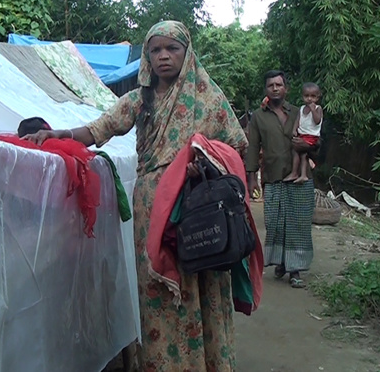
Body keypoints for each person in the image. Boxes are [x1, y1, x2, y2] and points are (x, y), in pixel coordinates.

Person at [24, 21, 247, 371]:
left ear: (186, 53)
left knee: (202, 273)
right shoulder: (139, 99)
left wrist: (202, 162)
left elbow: (235, 147)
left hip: (198, 203)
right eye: (155, 50)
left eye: (171, 49)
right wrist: (57, 134)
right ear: (147, 57)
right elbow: (100, 128)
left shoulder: (209, 96)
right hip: (152, 205)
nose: (163, 56)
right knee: (157, 281)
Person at [245, 71, 319, 289]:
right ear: (266, 89)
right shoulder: (258, 116)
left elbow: (316, 135)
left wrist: (311, 146)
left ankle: (295, 271)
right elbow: (252, 149)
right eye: (271, 85)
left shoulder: (300, 111)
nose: (275, 88)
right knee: (275, 223)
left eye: (279, 84)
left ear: (286, 88)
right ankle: (281, 261)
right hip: (273, 176)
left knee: (298, 224)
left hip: (300, 179)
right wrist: (252, 178)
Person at [283, 82, 323, 183]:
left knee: (296, 149)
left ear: (317, 98)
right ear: (302, 97)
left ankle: (295, 172)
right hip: (302, 135)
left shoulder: (318, 109)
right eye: (307, 96)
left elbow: (317, 121)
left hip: (312, 136)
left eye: (313, 96)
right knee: (302, 153)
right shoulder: (301, 109)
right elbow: (298, 120)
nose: (309, 99)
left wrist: (313, 110)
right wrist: (294, 129)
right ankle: (302, 175)